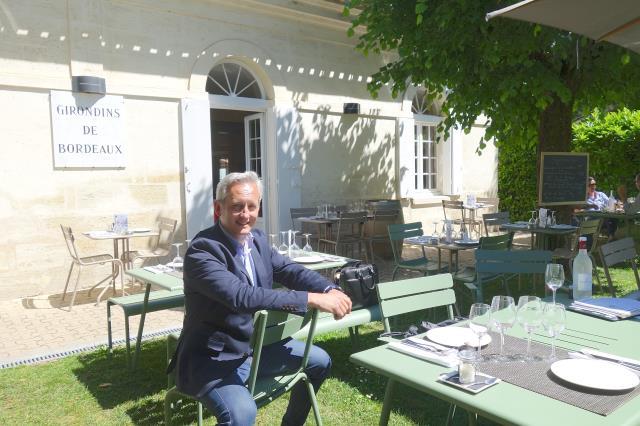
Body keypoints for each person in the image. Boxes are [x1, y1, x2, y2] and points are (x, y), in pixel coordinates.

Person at [168, 171, 352, 426]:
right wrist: (309, 299)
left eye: (251, 206)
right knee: (242, 414)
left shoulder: (257, 241)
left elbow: (289, 270)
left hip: (255, 348)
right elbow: (241, 296)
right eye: (236, 207)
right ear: (218, 208)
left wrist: (328, 289)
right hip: (212, 358)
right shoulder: (203, 250)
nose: (245, 214)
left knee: (319, 361)